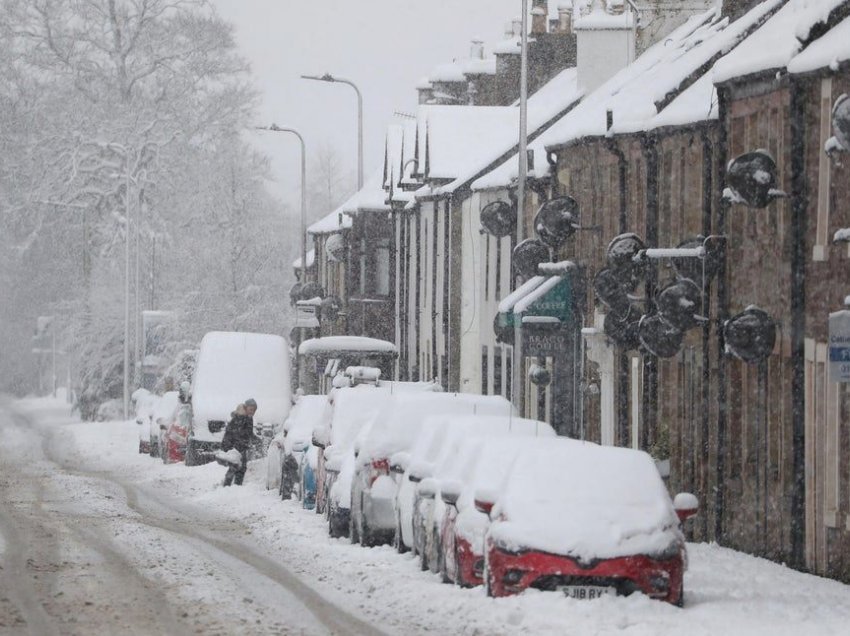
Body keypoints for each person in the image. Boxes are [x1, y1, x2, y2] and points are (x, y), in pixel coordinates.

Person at [221, 398, 257, 486]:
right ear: (246, 408)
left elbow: (248, 432)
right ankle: (230, 485)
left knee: (239, 466)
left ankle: (233, 485)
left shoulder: (248, 417)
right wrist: (242, 443)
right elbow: (236, 433)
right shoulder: (241, 417)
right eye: (250, 409)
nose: (252, 412)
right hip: (233, 444)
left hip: (239, 444)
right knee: (236, 465)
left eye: (254, 410)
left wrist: (255, 439)